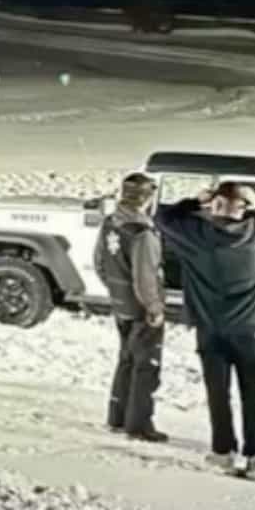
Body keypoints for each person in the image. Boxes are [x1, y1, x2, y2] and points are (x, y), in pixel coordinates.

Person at [156, 181, 255, 477]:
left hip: (210, 328)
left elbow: (162, 218)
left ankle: (223, 451)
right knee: (252, 393)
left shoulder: (195, 236)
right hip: (250, 330)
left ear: (215, 205)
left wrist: (195, 202)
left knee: (217, 392)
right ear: (243, 207)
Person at [95, 172, 167, 441]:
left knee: (125, 359)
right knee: (145, 365)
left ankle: (117, 415)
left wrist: (116, 290)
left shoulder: (111, 223)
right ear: (148, 198)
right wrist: (154, 307)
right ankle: (138, 424)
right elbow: (146, 276)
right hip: (140, 307)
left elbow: (100, 262)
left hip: (120, 302)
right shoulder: (142, 233)